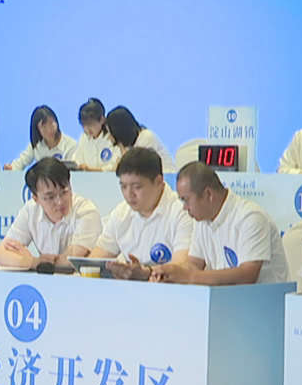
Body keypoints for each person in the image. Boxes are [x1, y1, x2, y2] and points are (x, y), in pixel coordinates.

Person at [151, 161, 289, 285]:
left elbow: (247, 275)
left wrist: (190, 277)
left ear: (208, 194)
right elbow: (194, 264)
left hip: (265, 301)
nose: (184, 208)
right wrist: (167, 272)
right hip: (228, 299)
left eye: (186, 200)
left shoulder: (250, 217)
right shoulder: (202, 220)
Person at [92, 146, 195, 279]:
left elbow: (182, 266)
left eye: (137, 187)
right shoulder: (121, 213)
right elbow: (96, 259)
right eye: (123, 186)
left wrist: (146, 273)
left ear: (159, 182)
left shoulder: (182, 212)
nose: (129, 194)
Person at [0, 158, 101, 268]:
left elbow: (71, 261)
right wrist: (34, 262)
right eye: (50, 197)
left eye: (64, 192)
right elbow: (1, 255)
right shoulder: (31, 210)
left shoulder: (86, 211)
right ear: (36, 198)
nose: (59, 202)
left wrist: (31, 261)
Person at [100, 106, 176, 174]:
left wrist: (122, 151)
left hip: (166, 179)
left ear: (118, 131)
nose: (108, 137)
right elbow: (113, 167)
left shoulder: (146, 138)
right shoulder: (126, 144)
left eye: (110, 132)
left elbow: (134, 170)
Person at [6, 105, 78, 171]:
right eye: (44, 126)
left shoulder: (70, 145)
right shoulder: (36, 145)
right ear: (37, 129)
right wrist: (11, 168)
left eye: (51, 123)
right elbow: (21, 161)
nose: (49, 130)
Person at [67, 98, 117, 170]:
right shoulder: (84, 137)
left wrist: (94, 170)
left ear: (102, 120)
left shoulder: (112, 137)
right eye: (83, 125)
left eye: (90, 124)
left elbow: (115, 165)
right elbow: (76, 160)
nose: (87, 129)